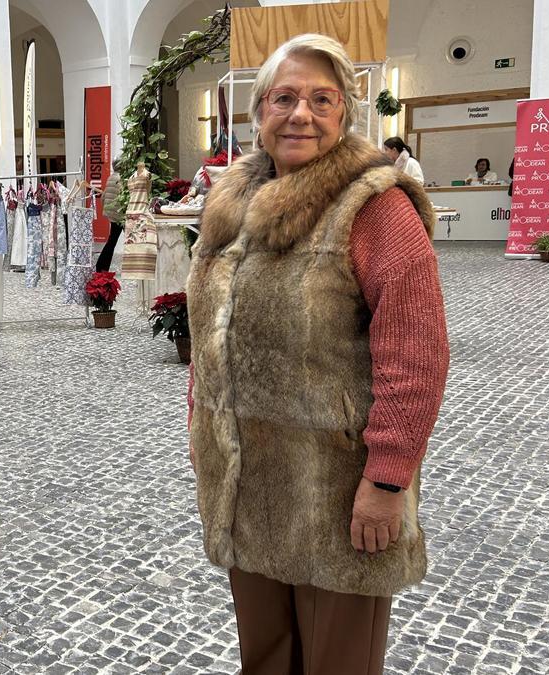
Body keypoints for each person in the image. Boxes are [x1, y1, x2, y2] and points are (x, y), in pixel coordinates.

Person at [187, 33, 449, 675]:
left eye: (320, 99)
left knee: (338, 662)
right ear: (257, 113)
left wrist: (388, 481)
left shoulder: (376, 207)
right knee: (266, 656)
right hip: (249, 482)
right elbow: (210, 325)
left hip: (338, 486)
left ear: (344, 115)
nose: (300, 113)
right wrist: (202, 421)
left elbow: (416, 356)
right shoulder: (231, 204)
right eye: (284, 97)